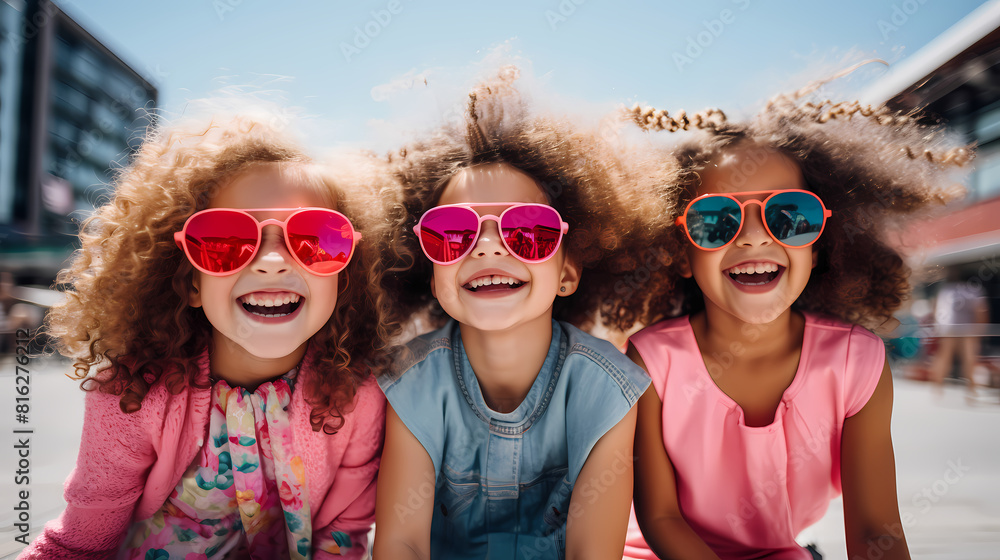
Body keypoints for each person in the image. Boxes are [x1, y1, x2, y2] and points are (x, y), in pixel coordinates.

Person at [19, 110, 399, 559]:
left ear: (345, 277)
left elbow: (341, 537)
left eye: (315, 238)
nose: (273, 261)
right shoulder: (132, 395)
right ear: (190, 282)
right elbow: (80, 546)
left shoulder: (360, 396)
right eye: (226, 240)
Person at [621, 83, 972, 559]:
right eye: (715, 221)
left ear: (818, 242)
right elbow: (660, 519)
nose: (751, 238)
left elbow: (873, 531)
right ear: (682, 253)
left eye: (789, 217)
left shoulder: (855, 363)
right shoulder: (651, 360)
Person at [372, 68, 671, 559]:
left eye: (528, 232)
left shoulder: (609, 386)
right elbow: (401, 544)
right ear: (431, 272)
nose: (487, 248)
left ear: (568, 271)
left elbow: (591, 553)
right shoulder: (411, 381)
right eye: (452, 232)